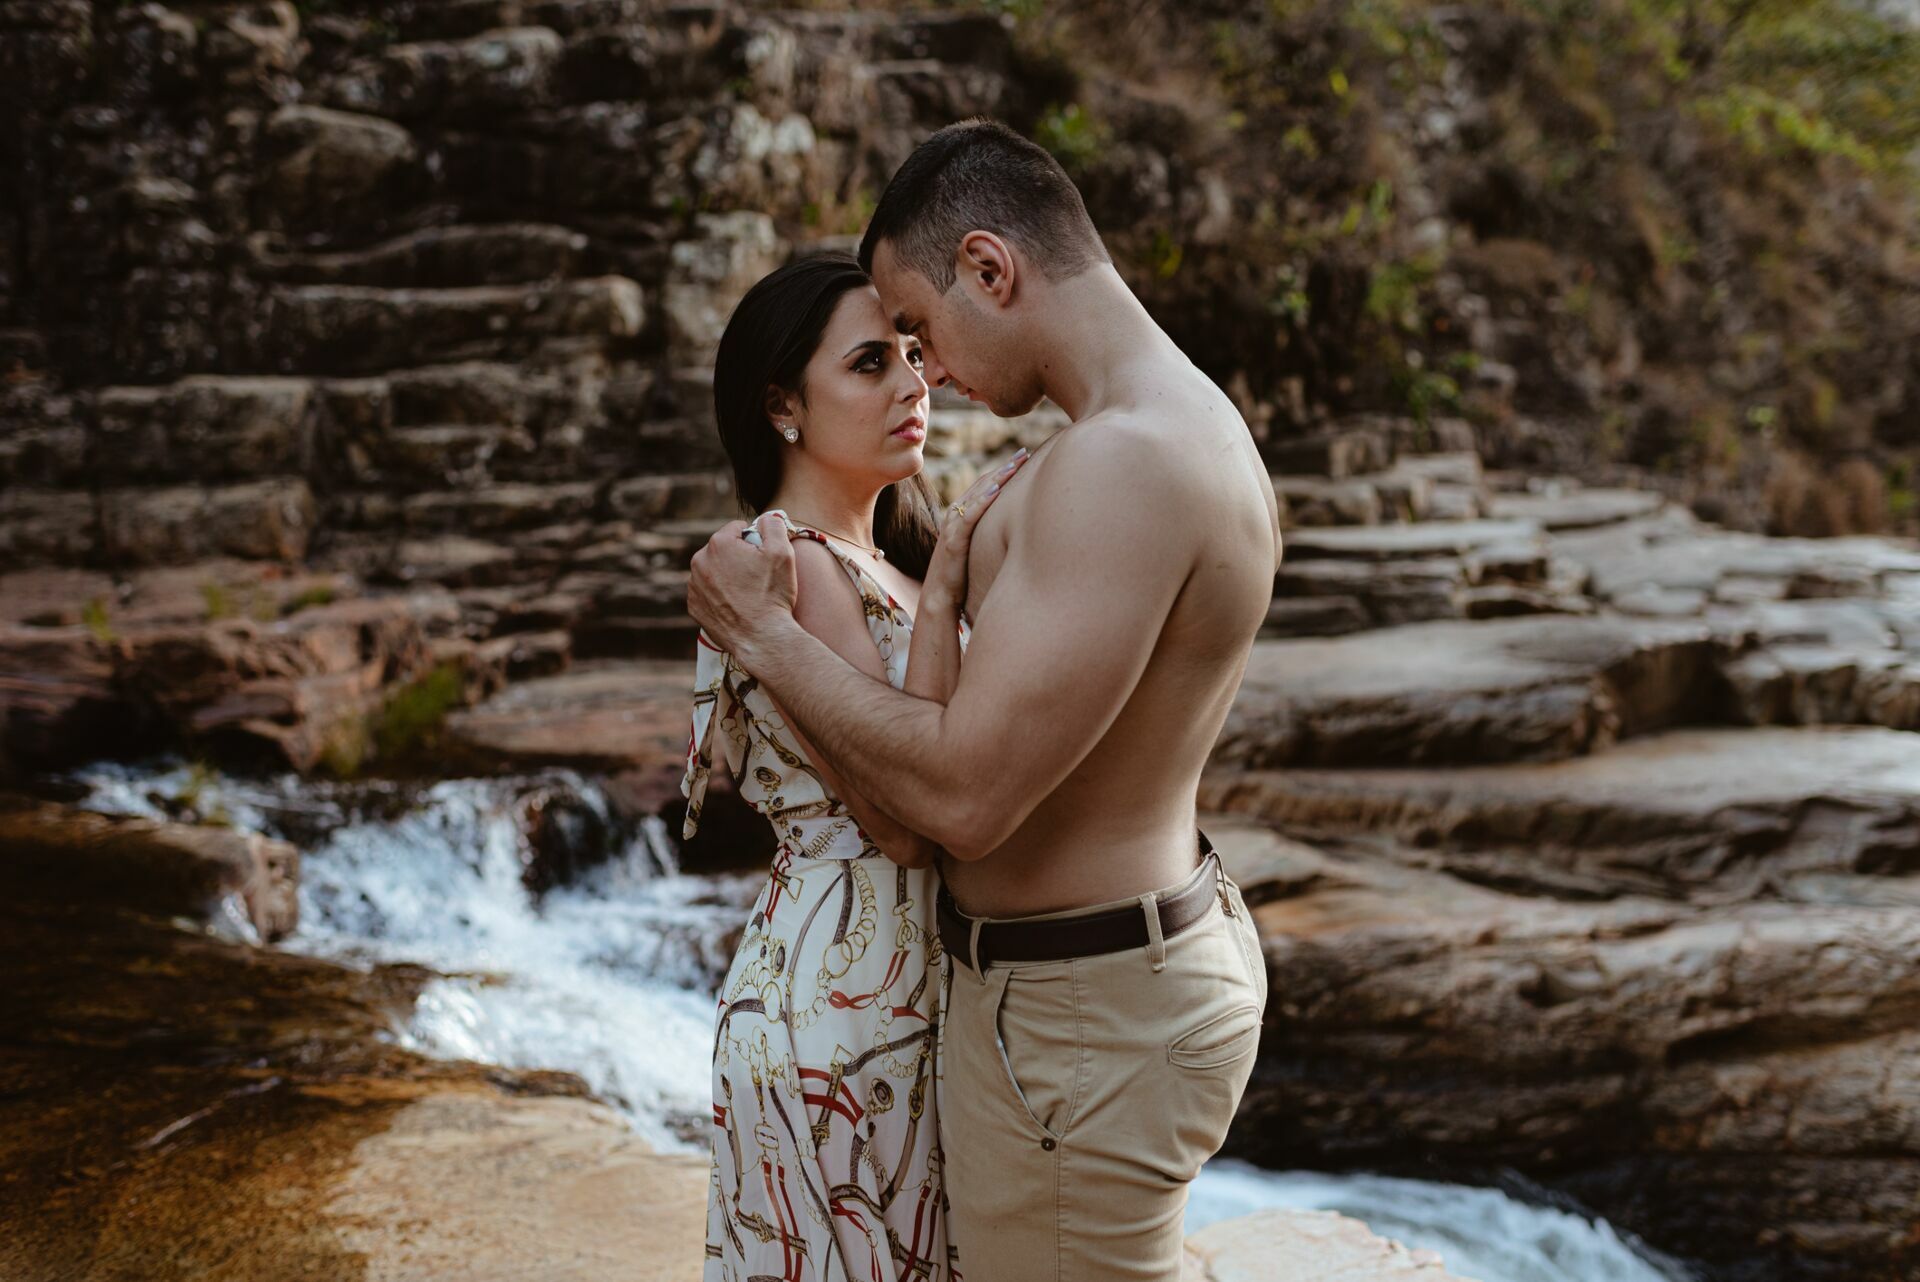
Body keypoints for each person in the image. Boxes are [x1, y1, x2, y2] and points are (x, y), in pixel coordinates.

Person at [686, 120, 1284, 1281]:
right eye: (886, 351)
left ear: (991, 269)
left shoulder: (1124, 460)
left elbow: (960, 799)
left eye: (918, 330)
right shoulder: (1168, 431)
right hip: (1081, 993)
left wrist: (761, 632)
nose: (929, 371)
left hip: (1079, 1013)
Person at [681, 252, 1025, 1281]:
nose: (913, 384)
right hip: (842, 1007)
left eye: (915, 356)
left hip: (893, 988)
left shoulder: (891, 560)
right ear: (781, 405)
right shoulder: (791, 564)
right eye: (871, 363)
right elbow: (901, 818)